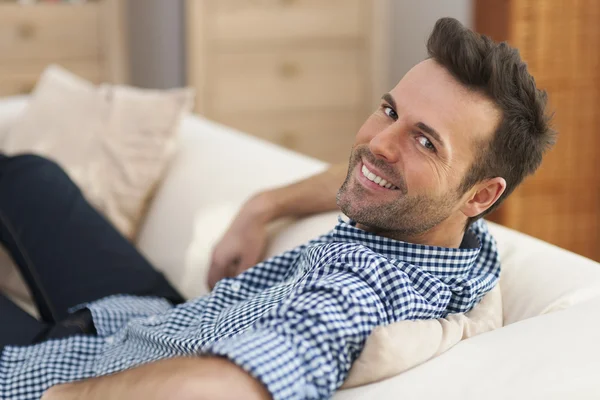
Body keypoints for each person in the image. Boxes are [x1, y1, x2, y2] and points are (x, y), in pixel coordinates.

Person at [0, 18, 554, 400]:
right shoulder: (459, 238)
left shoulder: (369, 291)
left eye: (426, 141)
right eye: (389, 111)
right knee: (30, 175)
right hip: (158, 319)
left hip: (87, 367)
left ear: (482, 195)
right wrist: (263, 206)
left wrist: (52, 392)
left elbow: (226, 388)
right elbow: (371, 168)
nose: (380, 142)